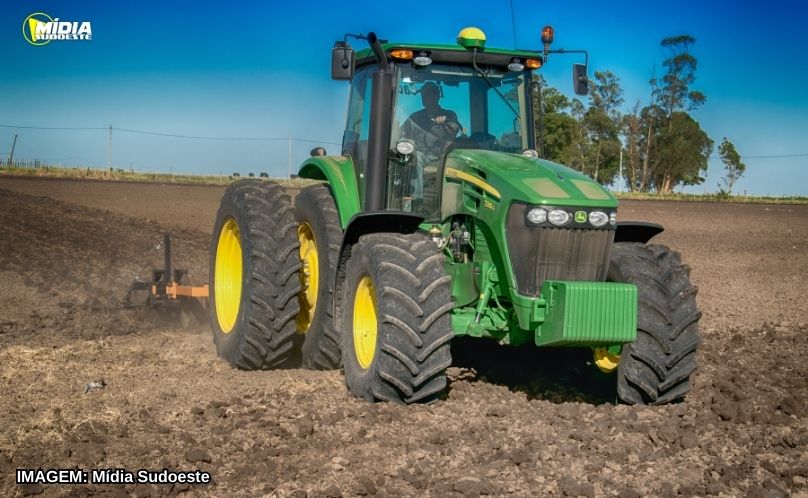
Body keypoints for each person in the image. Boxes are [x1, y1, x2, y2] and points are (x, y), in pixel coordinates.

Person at [400, 82, 461, 201]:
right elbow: (401, 133)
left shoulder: (449, 114)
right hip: (422, 154)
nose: (424, 97)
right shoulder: (415, 117)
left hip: (444, 154)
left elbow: (455, 128)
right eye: (423, 95)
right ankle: (417, 200)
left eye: (428, 94)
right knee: (414, 156)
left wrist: (446, 120)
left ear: (437, 96)